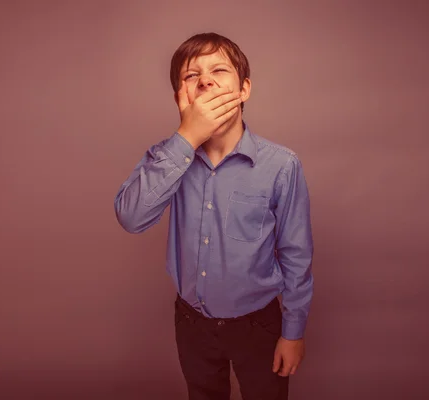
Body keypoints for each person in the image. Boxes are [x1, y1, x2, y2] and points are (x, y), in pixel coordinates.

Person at [114, 32, 314, 400]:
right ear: (180, 96)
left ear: (244, 89)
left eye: (219, 70)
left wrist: (293, 331)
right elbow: (131, 217)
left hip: (259, 323)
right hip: (192, 323)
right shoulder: (168, 159)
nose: (205, 79)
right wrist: (186, 138)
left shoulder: (281, 165)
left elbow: (296, 254)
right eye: (191, 76)